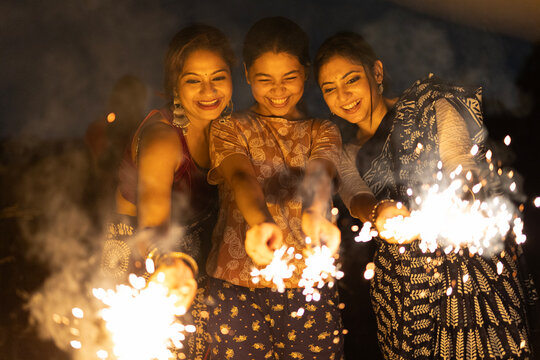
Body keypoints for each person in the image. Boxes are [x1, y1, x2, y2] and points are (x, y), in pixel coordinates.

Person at [314, 32, 534, 359]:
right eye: (329, 90)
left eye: (351, 80)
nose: (343, 96)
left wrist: (432, 219)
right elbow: (354, 196)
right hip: (402, 286)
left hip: (466, 269)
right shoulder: (347, 149)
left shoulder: (430, 105)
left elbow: (463, 166)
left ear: (376, 73)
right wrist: (378, 214)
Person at [205, 17, 343, 359]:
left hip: (306, 288)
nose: (278, 90)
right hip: (235, 285)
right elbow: (240, 178)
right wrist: (260, 221)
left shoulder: (321, 130)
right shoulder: (228, 128)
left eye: (289, 78)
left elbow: (320, 175)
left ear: (306, 73)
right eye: (265, 80)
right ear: (248, 75)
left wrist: (314, 213)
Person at [101, 24, 235, 359]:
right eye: (193, 80)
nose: (208, 90)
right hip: (143, 252)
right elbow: (154, 217)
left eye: (218, 77)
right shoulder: (163, 138)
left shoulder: (227, 132)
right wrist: (170, 260)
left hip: (191, 253)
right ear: (174, 86)